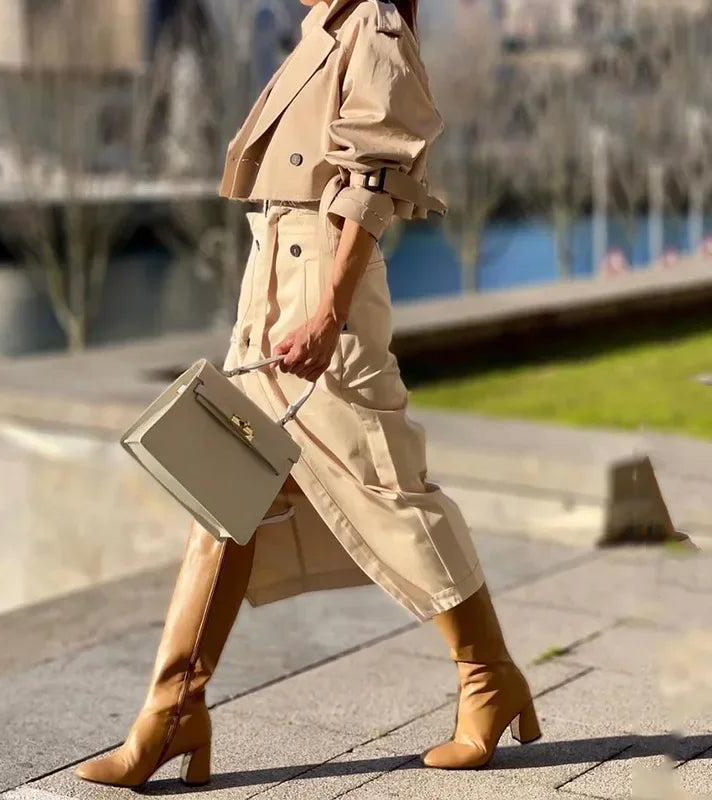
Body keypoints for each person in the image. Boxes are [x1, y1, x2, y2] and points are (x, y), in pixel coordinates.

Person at [75, 0, 540, 789]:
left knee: (390, 491)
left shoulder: (374, 30)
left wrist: (326, 310)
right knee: (222, 496)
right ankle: (172, 713)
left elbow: (373, 178)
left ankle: (488, 680)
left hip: (328, 290)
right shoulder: (321, 33)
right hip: (272, 287)